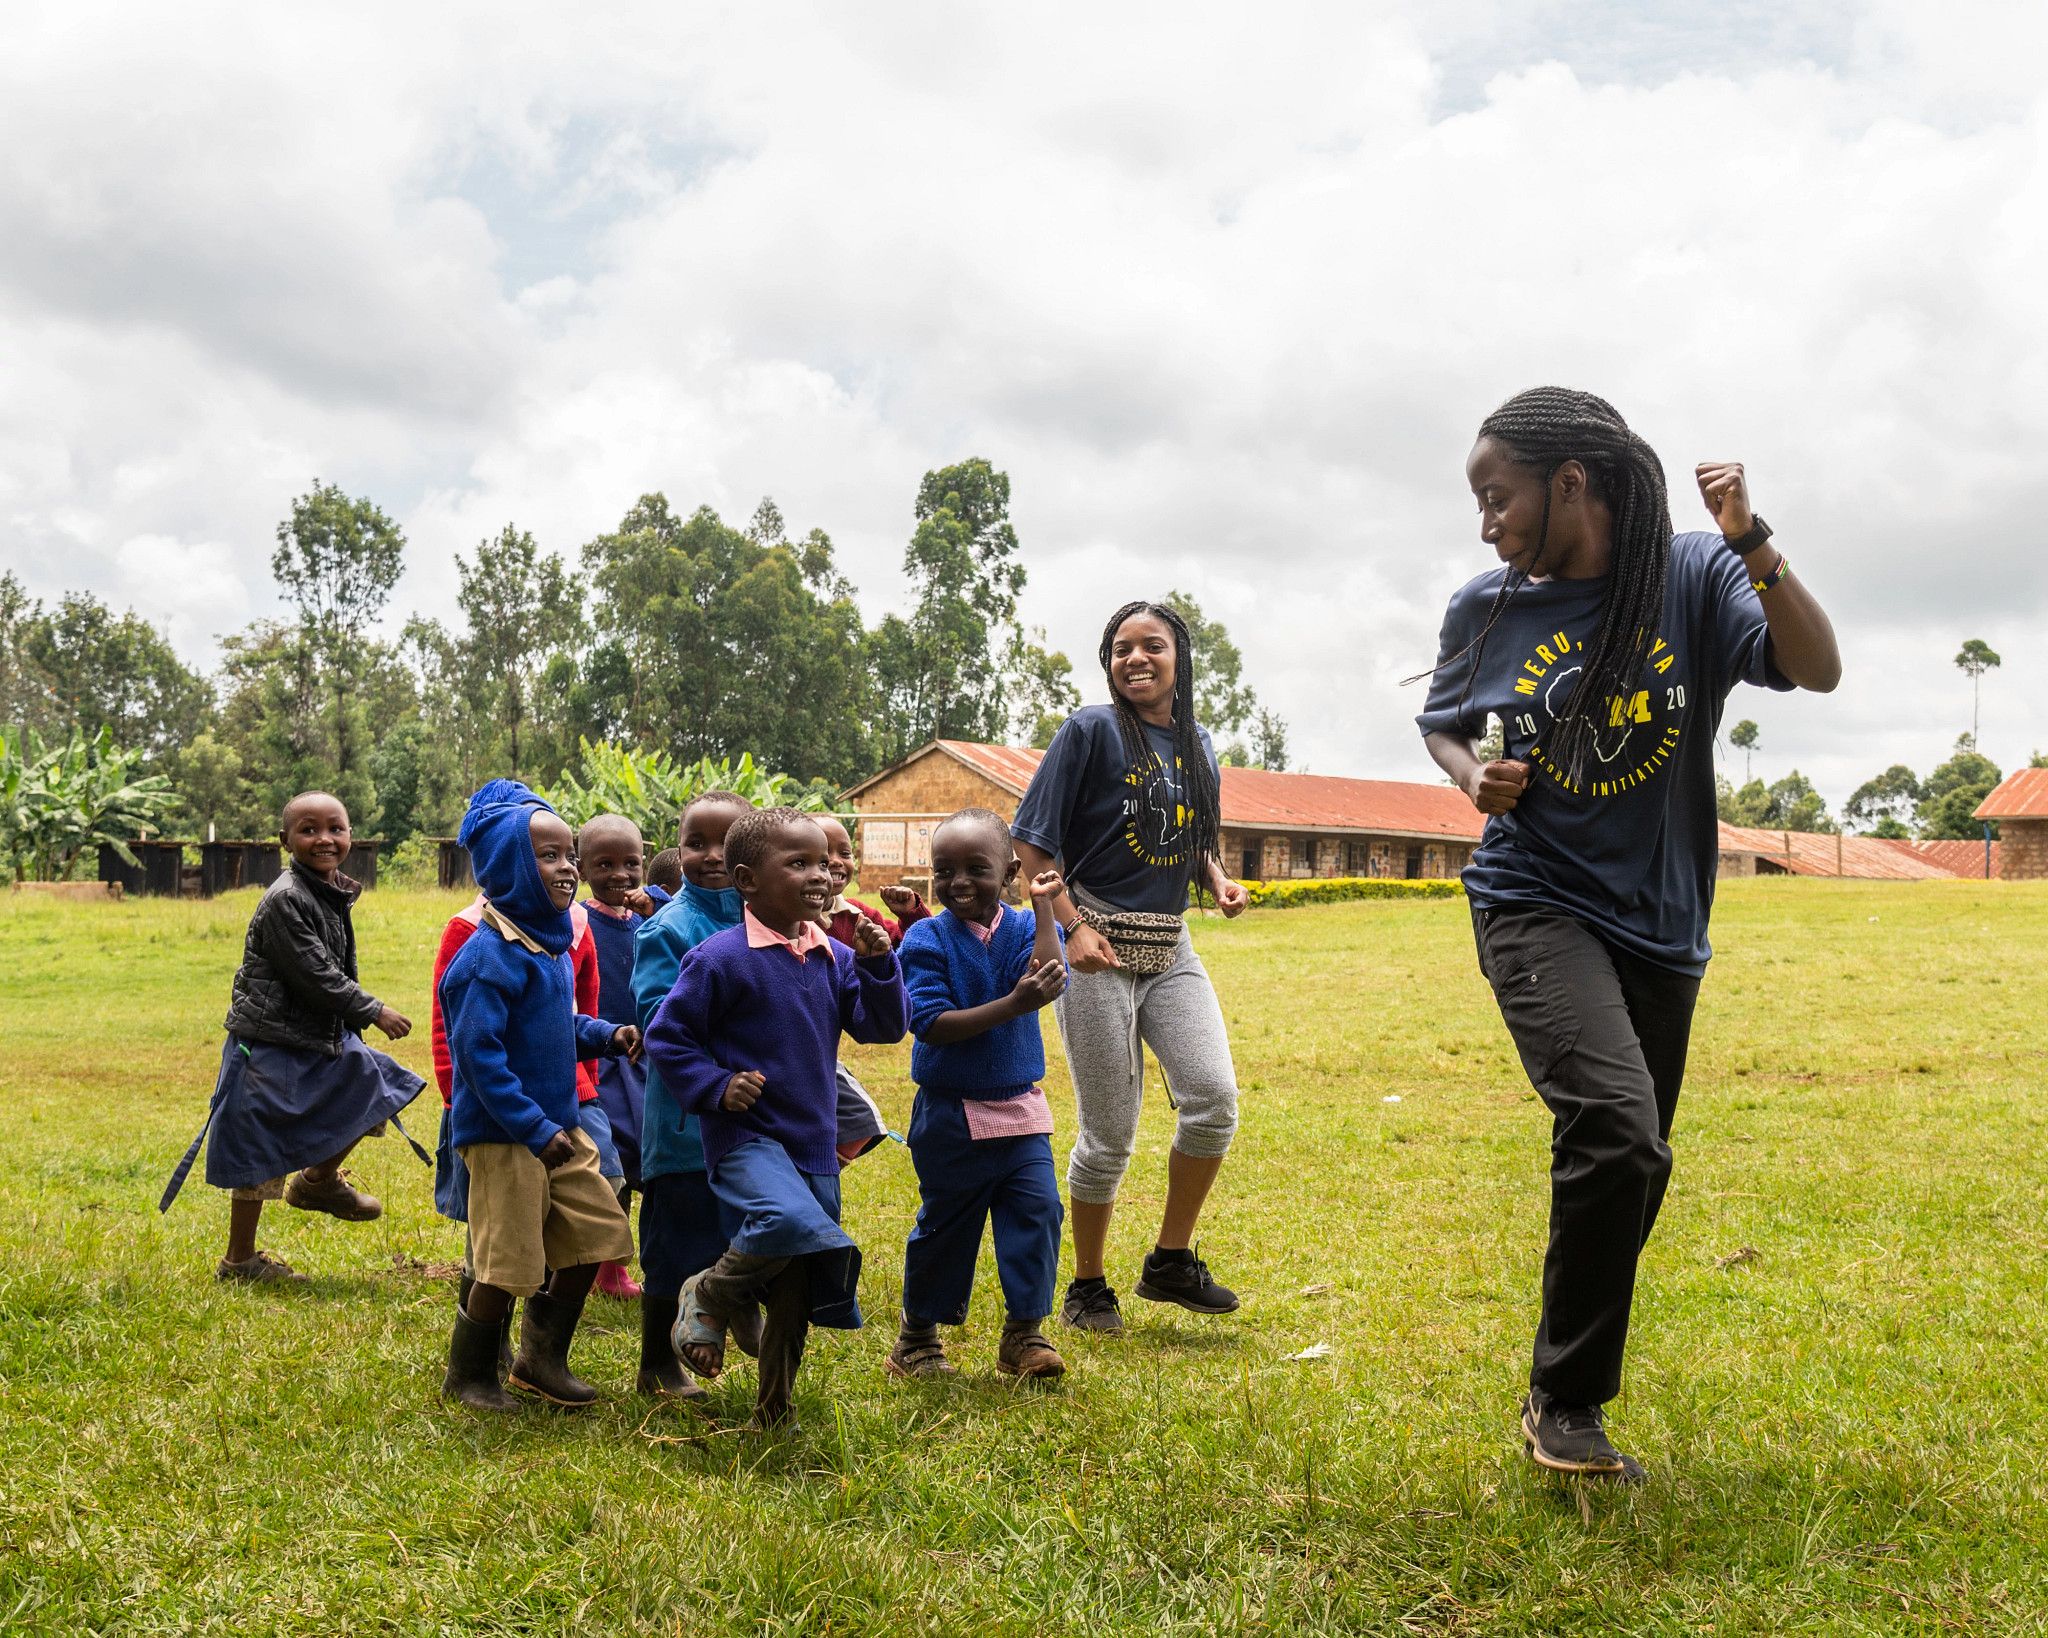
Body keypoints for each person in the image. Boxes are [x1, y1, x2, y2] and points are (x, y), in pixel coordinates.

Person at [1416, 386, 1841, 1481]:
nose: (1484, 523)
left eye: (1495, 496)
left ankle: (1554, 1390)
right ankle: (1566, 1402)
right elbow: (1444, 727)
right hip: (1530, 897)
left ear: (1570, 482)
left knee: (1630, 1162)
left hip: (1661, 923)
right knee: (1615, 1125)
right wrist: (1477, 781)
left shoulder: (1690, 575)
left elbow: (1813, 666)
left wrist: (1749, 536)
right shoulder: (1483, 609)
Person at [1011, 601, 1251, 1336]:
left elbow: (1190, 832)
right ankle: (1088, 1286)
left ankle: (1170, 1260)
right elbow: (1032, 847)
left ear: (1181, 656)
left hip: (1171, 947)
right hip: (1097, 949)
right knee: (1110, 1134)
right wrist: (1072, 930)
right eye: (1121, 649)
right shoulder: (1089, 731)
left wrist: (1215, 879)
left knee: (1213, 1099)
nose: (1136, 659)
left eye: (1152, 646)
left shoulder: (1197, 742)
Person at [644, 807, 909, 1429]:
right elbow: (667, 1036)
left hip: (813, 1142)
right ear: (747, 880)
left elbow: (883, 1027)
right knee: (786, 1220)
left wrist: (877, 965)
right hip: (747, 1139)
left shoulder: (832, 957)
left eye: (823, 862)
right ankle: (710, 1290)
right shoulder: (719, 958)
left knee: (797, 1282)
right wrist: (715, 1085)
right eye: (799, 863)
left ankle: (775, 1408)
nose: (820, 875)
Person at [159, 791, 426, 1284]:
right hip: (268, 1041)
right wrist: (374, 1010)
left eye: (335, 828)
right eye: (308, 830)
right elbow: (316, 975)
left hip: (317, 1033)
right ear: (285, 840)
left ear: (350, 836)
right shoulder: (286, 899)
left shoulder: (327, 889)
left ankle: (318, 1182)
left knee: (379, 1085)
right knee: (257, 1147)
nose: (324, 838)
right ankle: (239, 1261)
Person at [437, 780, 640, 1413]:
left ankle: (540, 1358)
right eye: (548, 856)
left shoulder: (550, 945)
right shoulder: (486, 958)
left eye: (567, 854)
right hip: (506, 1137)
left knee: (597, 1233)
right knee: (507, 1264)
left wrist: (607, 1035)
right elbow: (481, 1059)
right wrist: (531, 1126)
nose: (568, 868)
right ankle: (470, 1375)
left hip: (559, 1126)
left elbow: (556, 1029)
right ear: (508, 868)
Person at [889, 809, 1069, 1382]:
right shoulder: (926, 937)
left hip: (1019, 1104)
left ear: (1011, 872)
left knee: (1037, 1210)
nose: (958, 881)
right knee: (948, 1224)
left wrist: (1043, 909)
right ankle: (916, 1338)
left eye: (976, 868)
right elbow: (933, 1022)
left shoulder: (1022, 928)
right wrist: (1013, 1005)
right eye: (944, 871)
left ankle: (1024, 1334)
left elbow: (1049, 971)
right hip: (950, 1112)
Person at [630, 790, 755, 1398]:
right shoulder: (668, 928)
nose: (709, 856)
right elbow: (660, 1023)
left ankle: (734, 1308)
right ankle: (656, 1363)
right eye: (694, 842)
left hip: (754, 1121)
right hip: (684, 1126)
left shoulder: (770, 920)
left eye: (725, 844)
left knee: (747, 1228)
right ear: (674, 851)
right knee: (675, 1246)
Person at [578, 813, 658, 1300]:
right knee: (615, 1161)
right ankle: (603, 1267)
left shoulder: (651, 920)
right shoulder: (577, 921)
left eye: (631, 863)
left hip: (647, 1057)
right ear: (582, 867)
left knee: (646, 1161)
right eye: (604, 864)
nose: (620, 875)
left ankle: (622, 1267)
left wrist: (658, 905)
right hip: (600, 1058)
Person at [816, 814, 928, 946]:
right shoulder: (791, 923)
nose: (836, 861)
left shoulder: (859, 915)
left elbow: (907, 946)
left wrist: (910, 915)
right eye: (824, 854)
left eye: (845, 854)